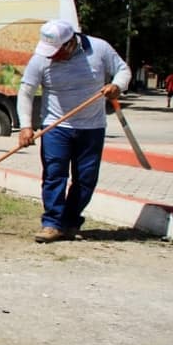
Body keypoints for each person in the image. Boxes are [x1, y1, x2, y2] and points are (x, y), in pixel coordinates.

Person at [17, 20, 130, 244]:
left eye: (56, 51)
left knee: (86, 179)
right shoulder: (41, 59)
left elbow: (123, 70)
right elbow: (26, 91)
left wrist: (117, 86)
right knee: (54, 175)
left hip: (92, 127)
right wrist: (25, 126)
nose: (51, 56)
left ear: (70, 44)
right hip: (56, 127)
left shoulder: (99, 49)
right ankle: (51, 223)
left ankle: (69, 222)